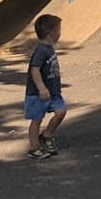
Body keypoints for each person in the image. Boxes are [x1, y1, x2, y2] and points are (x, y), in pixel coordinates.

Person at [25, 14, 67, 160]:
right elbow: (34, 69)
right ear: (51, 33)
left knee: (61, 112)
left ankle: (47, 135)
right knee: (36, 120)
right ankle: (34, 147)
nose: (60, 33)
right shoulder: (41, 50)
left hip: (53, 91)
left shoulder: (49, 48)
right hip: (38, 93)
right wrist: (42, 88)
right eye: (59, 30)